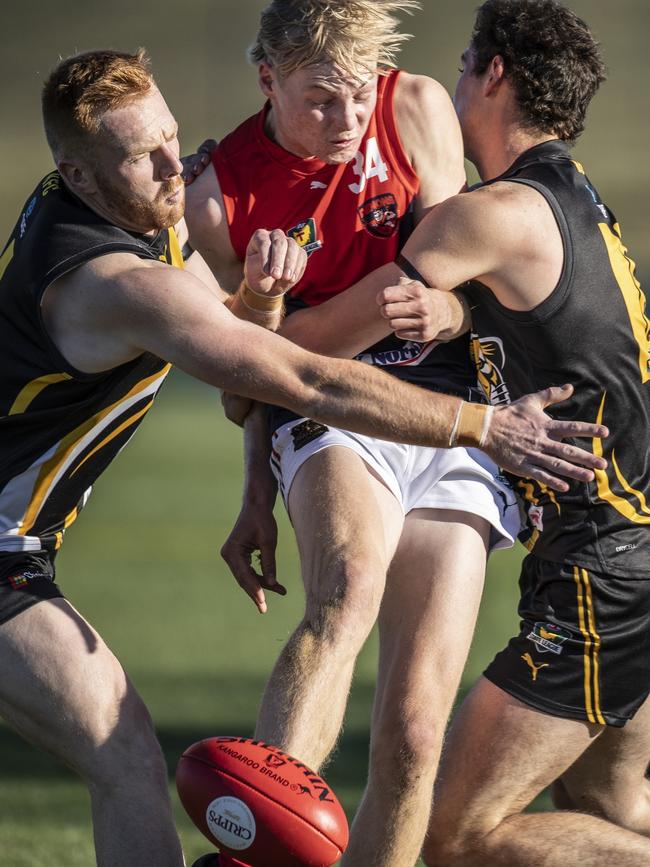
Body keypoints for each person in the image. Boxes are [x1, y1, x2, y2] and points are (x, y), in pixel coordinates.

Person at [0, 47, 605, 867]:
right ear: (75, 173)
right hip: (7, 555)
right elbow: (302, 377)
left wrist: (256, 298)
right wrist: (484, 427)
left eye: (173, 135)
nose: (179, 165)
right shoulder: (113, 281)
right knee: (126, 757)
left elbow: (241, 335)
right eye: (146, 157)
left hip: (24, 547)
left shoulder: (125, 202)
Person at [182, 1, 542, 863]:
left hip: (452, 421)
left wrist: (449, 308)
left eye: (357, 95)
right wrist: (257, 484)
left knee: (419, 728)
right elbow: (249, 384)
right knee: (345, 593)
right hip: (335, 408)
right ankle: (258, 854)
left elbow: (471, 286)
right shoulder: (218, 192)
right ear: (267, 78)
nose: (347, 120)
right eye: (319, 100)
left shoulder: (415, 107)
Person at [303, 1, 648, 864]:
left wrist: (226, 298)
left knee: (456, 840)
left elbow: (309, 348)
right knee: (611, 804)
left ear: (496, 74)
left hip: (604, 572)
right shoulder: (572, 200)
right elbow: (499, 311)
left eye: (464, 63)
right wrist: (456, 312)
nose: (451, 82)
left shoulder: (482, 215)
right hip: (625, 550)